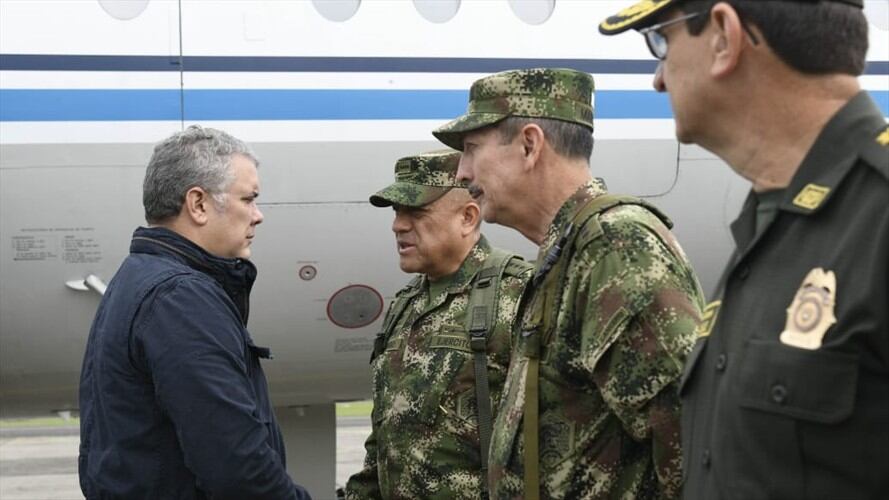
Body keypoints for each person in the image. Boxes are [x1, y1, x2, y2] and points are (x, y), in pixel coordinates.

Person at [599, 1, 889, 499]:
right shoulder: (767, 221)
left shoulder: (876, 213)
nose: (658, 80)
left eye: (662, 42)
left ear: (725, 37)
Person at [433, 68, 705, 499]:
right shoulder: (568, 252)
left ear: (529, 145)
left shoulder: (615, 247)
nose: (462, 172)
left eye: (471, 149)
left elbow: (691, 439)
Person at [78, 125, 311, 499]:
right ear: (198, 204)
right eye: (248, 199)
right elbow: (237, 466)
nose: (258, 215)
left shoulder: (138, 277)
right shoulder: (180, 298)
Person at [346, 150, 533, 499]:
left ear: (467, 217)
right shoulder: (407, 303)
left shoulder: (518, 295)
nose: (398, 225)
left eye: (416, 212)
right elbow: (385, 442)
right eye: (397, 212)